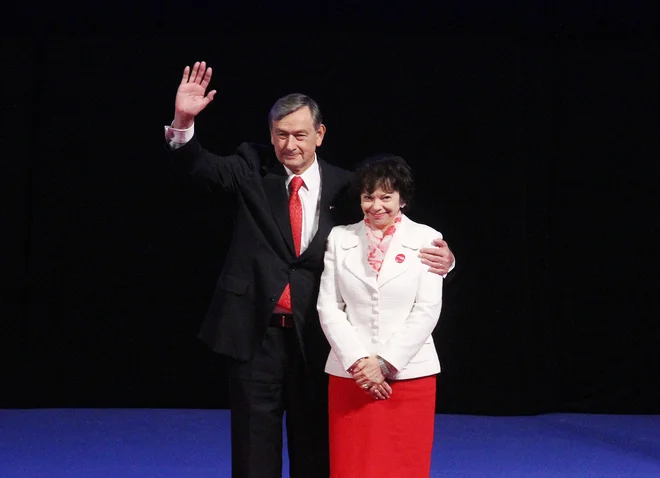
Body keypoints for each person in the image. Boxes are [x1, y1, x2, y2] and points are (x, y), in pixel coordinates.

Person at [164, 61, 455, 478]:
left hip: (316, 339)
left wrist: (447, 259)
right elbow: (199, 169)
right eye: (281, 135)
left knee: (316, 449)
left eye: (300, 134)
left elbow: (392, 228)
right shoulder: (251, 167)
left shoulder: (346, 185)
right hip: (254, 334)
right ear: (270, 135)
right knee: (253, 451)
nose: (290, 144)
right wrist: (183, 122)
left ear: (319, 135)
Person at [317, 154, 445, 477]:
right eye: (368, 196)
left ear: (402, 199)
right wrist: (361, 363)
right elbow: (329, 307)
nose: (377, 206)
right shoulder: (340, 239)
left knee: (404, 466)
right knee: (351, 466)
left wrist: (384, 363)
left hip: (409, 378)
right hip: (351, 378)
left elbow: (427, 310)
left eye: (386, 197)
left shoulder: (427, 239)